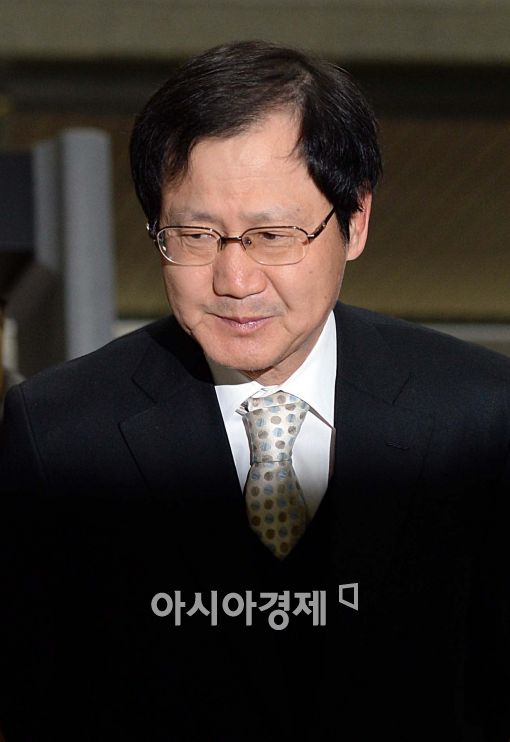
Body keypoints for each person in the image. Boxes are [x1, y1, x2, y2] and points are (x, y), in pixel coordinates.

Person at [0, 40, 509, 742]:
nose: (235, 281)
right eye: (195, 235)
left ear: (355, 221)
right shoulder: (59, 434)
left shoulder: (480, 418)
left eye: (272, 234)